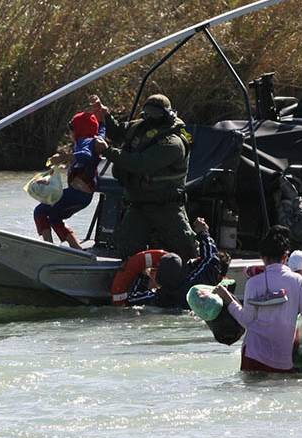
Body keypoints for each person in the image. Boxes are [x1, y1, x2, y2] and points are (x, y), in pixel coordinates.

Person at [92, 94, 198, 261]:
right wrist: (105, 116)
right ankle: (131, 278)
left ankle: (196, 273)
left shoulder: (173, 143)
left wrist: (107, 151)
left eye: (154, 114)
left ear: (167, 114)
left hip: (166, 207)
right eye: (147, 113)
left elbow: (140, 164)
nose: (149, 118)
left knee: (185, 250)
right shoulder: (139, 127)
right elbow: (119, 131)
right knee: (126, 248)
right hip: (138, 203)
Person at [215, 226, 302, 373]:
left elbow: (246, 321)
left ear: (263, 257)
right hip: (283, 361)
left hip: (254, 357)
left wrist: (228, 300)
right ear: (285, 257)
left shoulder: (253, 282)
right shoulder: (298, 281)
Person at [112, 218, 228, 309]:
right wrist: (204, 233)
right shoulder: (196, 285)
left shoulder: (157, 297)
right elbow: (211, 260)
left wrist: (143, 275)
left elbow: (131, 299)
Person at [33, 110, 105, 249]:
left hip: (76, 195)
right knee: (54, 217)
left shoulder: (85, 141)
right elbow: (102, 129)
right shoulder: (96, 139)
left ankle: (48, 248)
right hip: (84, 198)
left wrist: (62, 157)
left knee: (40, 211)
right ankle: (77, 250)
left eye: (72, 129)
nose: (70, 133)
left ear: (79, 129)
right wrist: (101, 117)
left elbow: (86, 155)